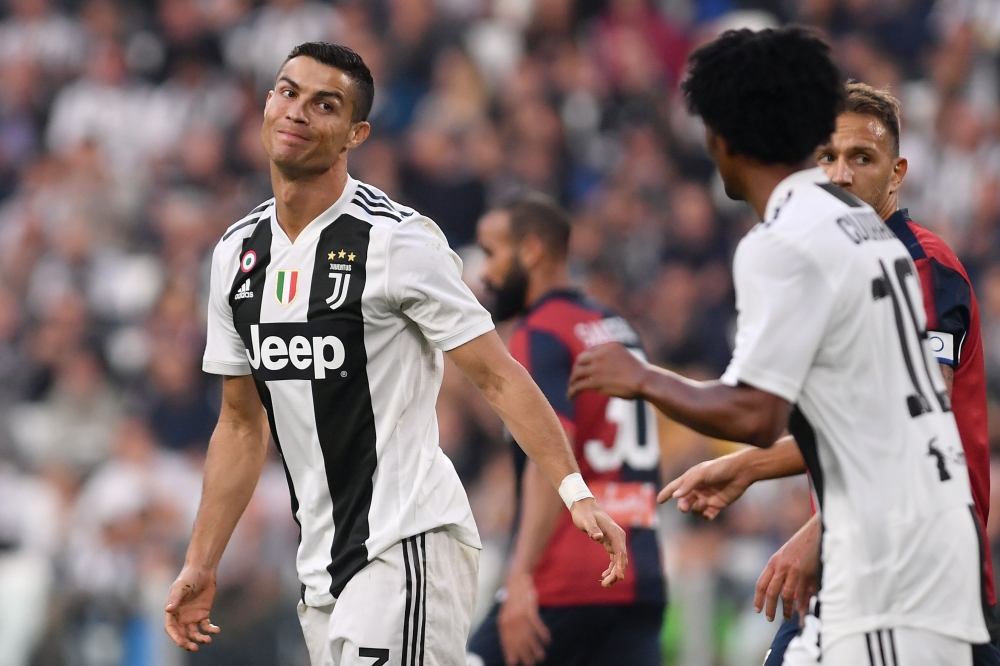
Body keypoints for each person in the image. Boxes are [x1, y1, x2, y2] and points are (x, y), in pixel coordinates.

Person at [162, 42, 629, 666]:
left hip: (408, 542)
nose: (297, 112)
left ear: (355, 134)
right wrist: (201, 560)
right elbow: (243, 424)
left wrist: (576, 491)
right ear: (266, 104)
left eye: (323, 105)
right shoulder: (236, 254)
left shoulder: (396, 241)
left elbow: (495, 375)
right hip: (323, 567)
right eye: (287, 91)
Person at [567, 28, 990, 665]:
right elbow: (881, 408)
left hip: (890, 560)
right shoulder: (866, 234)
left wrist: (643, 377)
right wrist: (748, 468)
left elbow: (755, 413)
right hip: (909, 543)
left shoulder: (786, 241)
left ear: (719, 139)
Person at [662, 81, 1000, 666]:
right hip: (860, 572)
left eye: (861, 158)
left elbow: (916, 422)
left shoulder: (920, 265)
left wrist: (818, 534)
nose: (840, 174)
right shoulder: (842, 270)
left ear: (896, 174)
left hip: (923, 582)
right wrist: (751, 466)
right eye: (827, 158)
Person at [467, 197, 665, 666]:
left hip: (568, 580)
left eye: (491, 253)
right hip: (641, 574)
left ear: (531, 251)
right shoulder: (617, 327)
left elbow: (550, 457)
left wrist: (518, 577)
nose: (486, 275)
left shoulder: (540, 331)